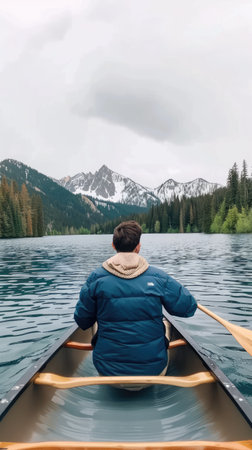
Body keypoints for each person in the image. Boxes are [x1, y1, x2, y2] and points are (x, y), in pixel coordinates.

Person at [74, 220, 197, 384]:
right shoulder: (159, 277)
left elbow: (82, 320)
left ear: (113, 245)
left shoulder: (95, 278)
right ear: (138, 247)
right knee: (166, 323)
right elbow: (189, 308)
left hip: (108, 373)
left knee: (96, 321)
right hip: (154, 372)